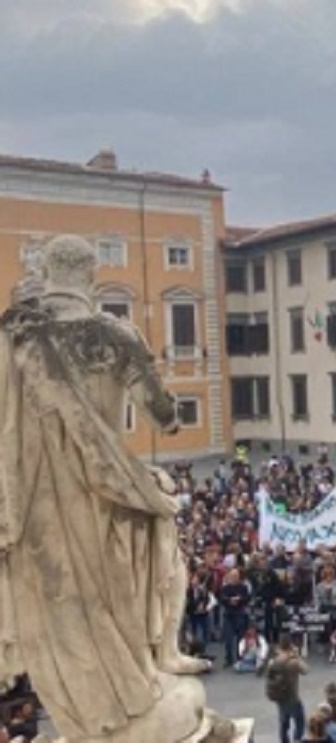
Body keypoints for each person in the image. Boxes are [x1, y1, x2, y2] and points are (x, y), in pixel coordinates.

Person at [0, 235, 210, 743]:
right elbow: (163, 414)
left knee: (58, 609)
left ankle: (87, 717)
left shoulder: (12, 339)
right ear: (91, 275)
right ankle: (151, 670)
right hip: (106, 497)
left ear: (47, 273)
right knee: (147, 563)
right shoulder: (113, 334)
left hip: (32, 509)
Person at [261, 635, 309, 743]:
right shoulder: (293, 662)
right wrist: (297, 655)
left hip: (280, 696)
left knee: (283, 722)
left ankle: (284, 740)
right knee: (300, 721)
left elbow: (267, 674)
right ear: (290, 646)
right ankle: (297, 740)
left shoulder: (274, 661)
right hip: (293, 697)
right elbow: (306, 670)